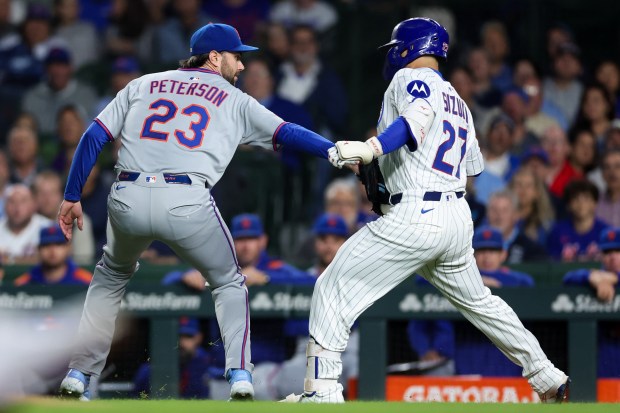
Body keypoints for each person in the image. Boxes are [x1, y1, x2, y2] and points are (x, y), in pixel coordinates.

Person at [283, 18, 570, 404]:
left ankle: (321, 393)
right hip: (455, 215)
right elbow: (473, 168)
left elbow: (415, 119)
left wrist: (373, 149)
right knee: (480, 302)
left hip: (416, 214)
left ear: (408, 47)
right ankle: (547, 375)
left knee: (331, 287)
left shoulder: (409, 80)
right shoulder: (460, 102)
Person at [56, 22, 344, 402]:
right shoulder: (233, 98)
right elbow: (288, 132)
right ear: (214, 56)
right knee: (228, 283)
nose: (240, 66)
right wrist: (334, 151)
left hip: (127, 194)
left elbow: (94, 136)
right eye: (236, 56)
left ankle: (78, 375)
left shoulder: (144, 82)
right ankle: (240, 377)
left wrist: (72, 194)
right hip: (185, 199)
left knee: (110, 277)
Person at [563, 227, 620, 377]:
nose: (613, 257)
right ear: (600, 255)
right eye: (607, 252)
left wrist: (616, 278)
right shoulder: (596, 277)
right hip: (605, 354)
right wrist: (591, 277)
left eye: (618, 251)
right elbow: (568, 278)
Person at [133, 317, 212, 399]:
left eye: (188, 336)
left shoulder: (209, 365)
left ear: (199, 337)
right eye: (177, 335)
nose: (181, 342)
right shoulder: (150, 370)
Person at [547, 179, 608, 262]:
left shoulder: (606, 232)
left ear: (595, 203)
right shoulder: (557, 231)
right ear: (568, 205)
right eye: (575, 198)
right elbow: (552, 263)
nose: (581, 203)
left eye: (586, 198)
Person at [13, 224, 92, 286]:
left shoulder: (87, 282)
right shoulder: (24, 283)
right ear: (39, 249)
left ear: (68, 248)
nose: (52, 250)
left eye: (58, 244)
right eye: (46, 245)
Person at [0, 184, 52, 264]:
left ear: (34, 204)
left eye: (23, 201)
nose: (17, 207)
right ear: (5, 205)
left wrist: (9, 259)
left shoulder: (47, 227)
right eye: (12, 202)